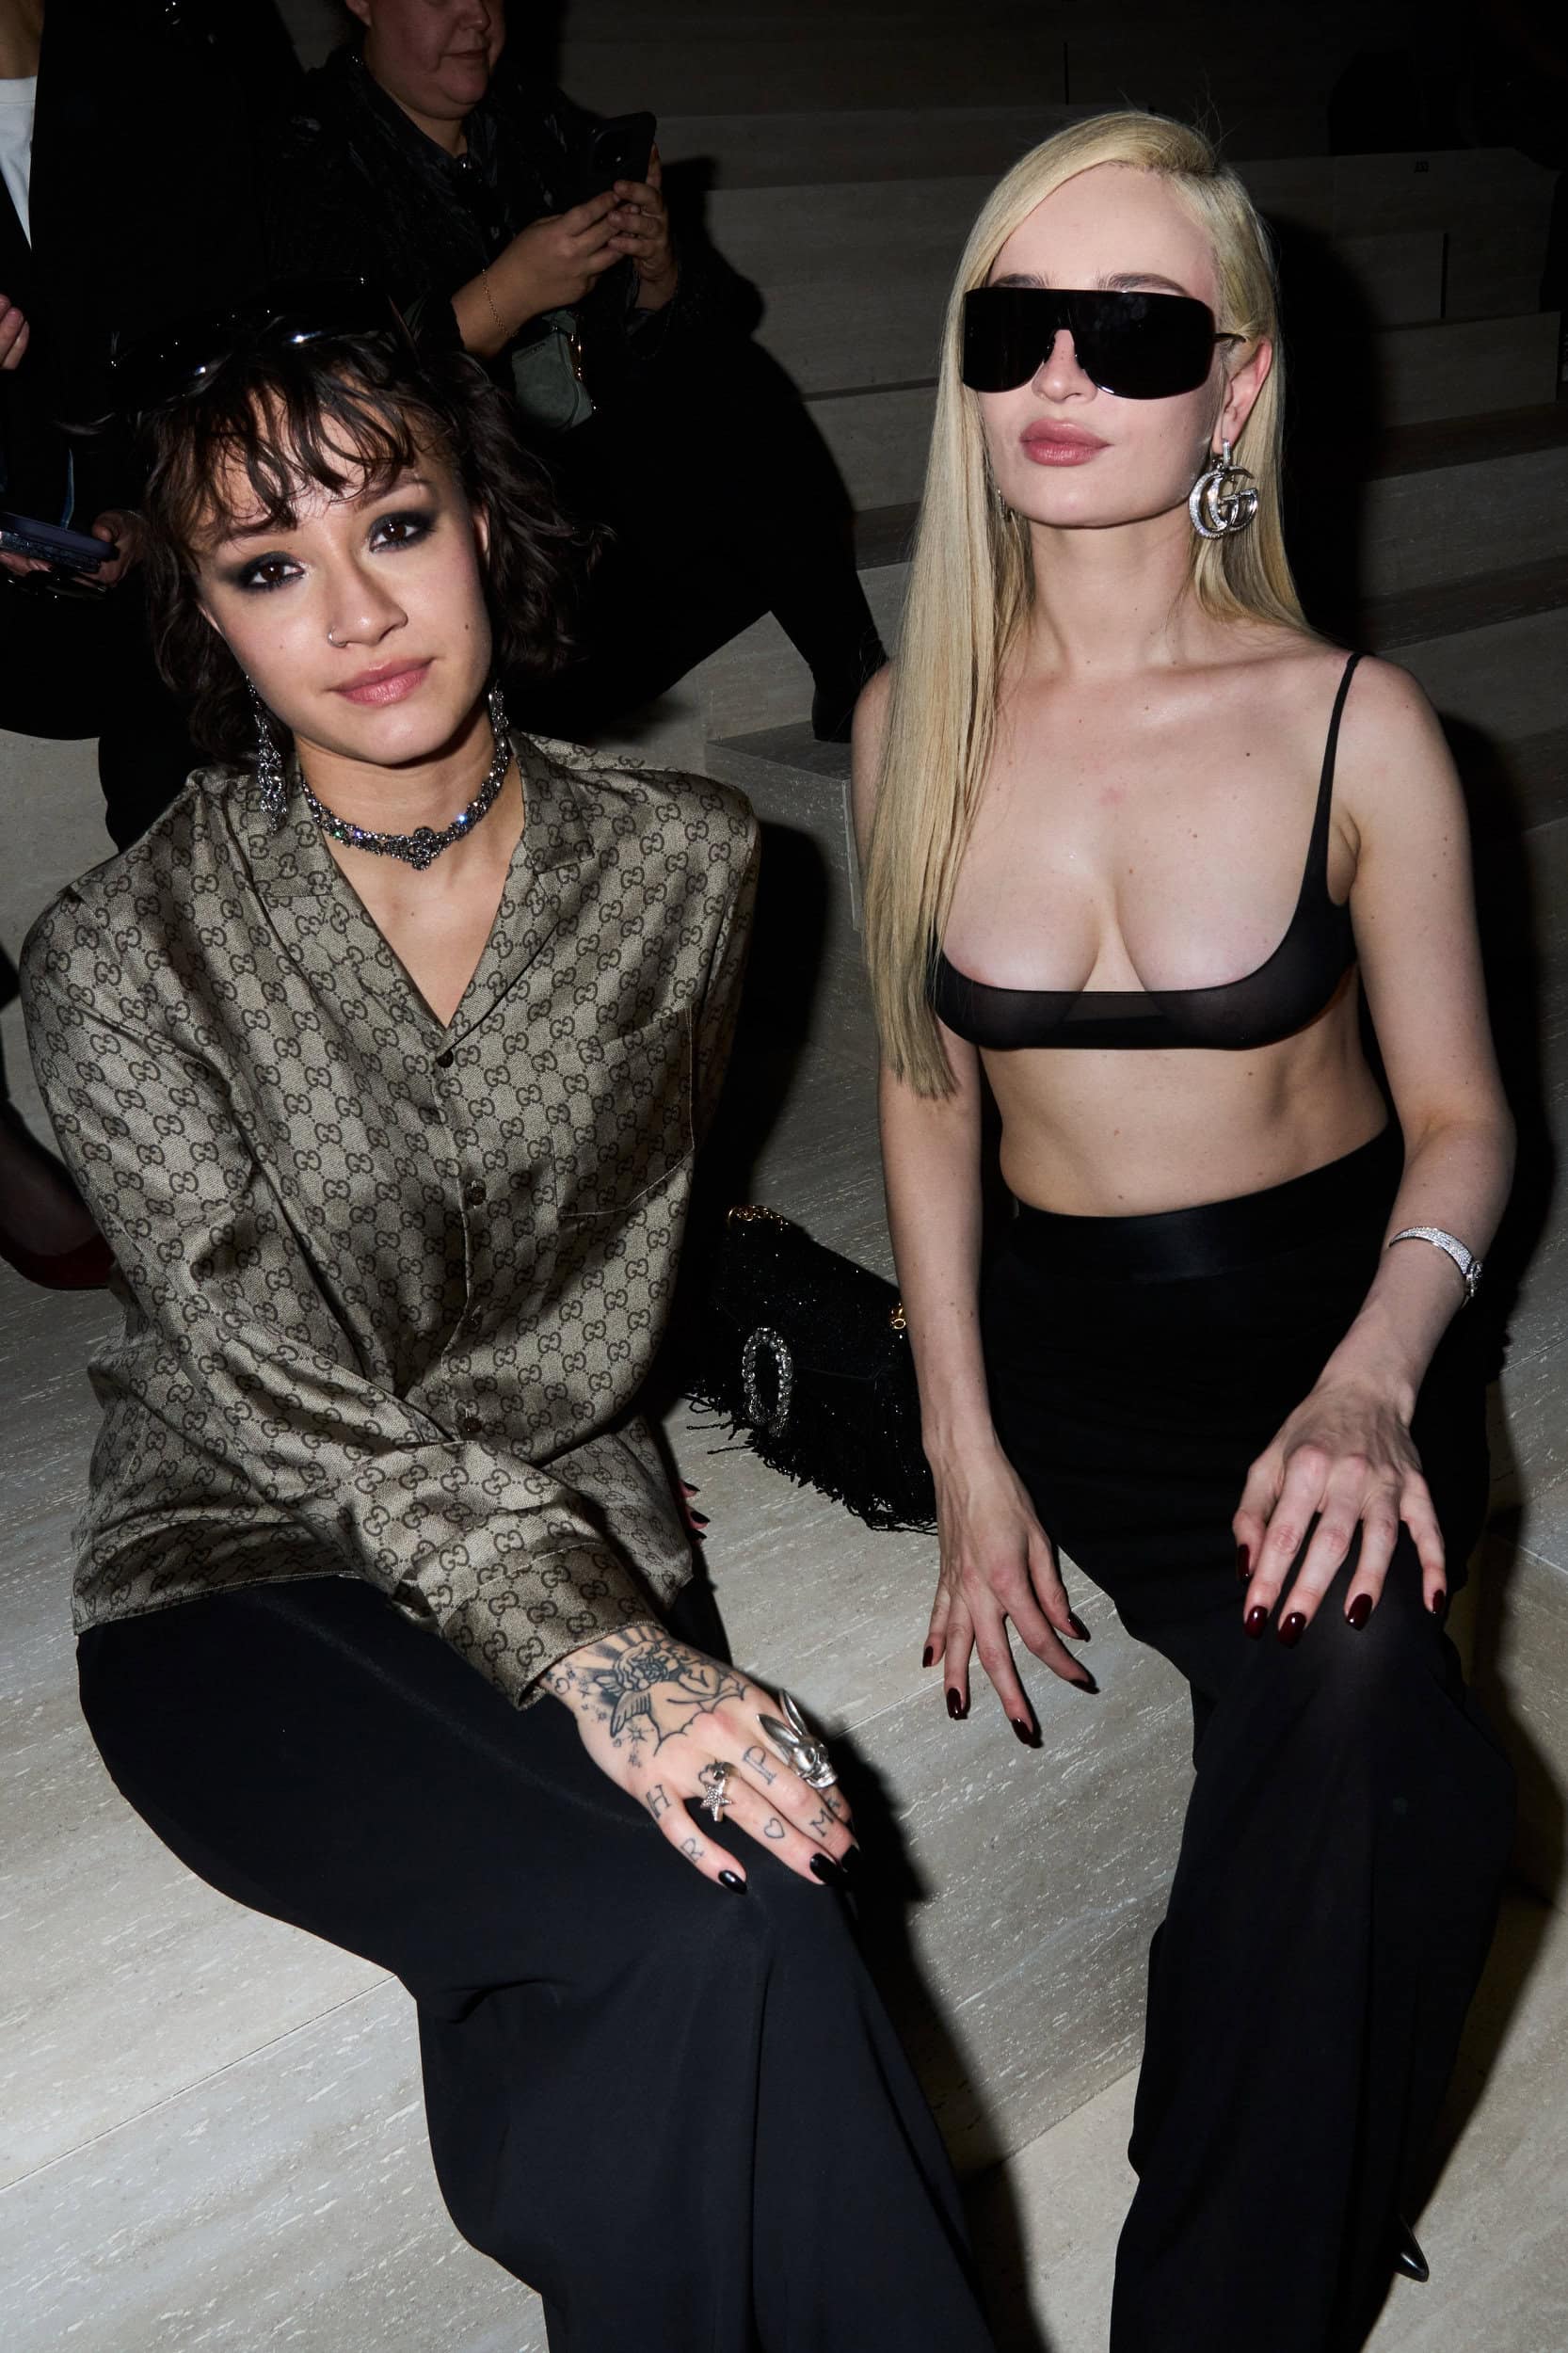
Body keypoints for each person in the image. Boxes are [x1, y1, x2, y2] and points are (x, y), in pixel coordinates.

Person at [19, 289, 997, 2353]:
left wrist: (608, 1465)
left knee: (738, 1921)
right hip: (245, 1556)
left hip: (566, 1515)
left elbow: (628, 1233)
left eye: (395, 524)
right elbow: (253, 1368)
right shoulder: (120, 954)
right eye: (267, 566)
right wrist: (588, 1639)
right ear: (205, 617)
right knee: (705, 1926)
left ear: (485, 520)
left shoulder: (694, 864)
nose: (356, 610)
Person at [853, 113, 1517, 2353]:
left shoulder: (1356, 724)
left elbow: (1463, 1123)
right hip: (1073, 1356)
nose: (1060, 373)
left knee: (1361, 1696)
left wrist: (1376, 1378)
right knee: (1379, 1757)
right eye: (1014, 323)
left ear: (1234, 386)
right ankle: (1304, 2154)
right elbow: (925, 1092)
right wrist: (962, 1448)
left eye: (1133, 333)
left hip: (1340, 1331)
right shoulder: (909, 721)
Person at [261, 0, 885, 741]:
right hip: (474, 567)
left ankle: (859, 685)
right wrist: (503, 298)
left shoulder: (529, 116)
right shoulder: (305, 153)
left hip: (600, 525)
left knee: (733, 382)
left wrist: (656, 270)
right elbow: (329, 408)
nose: (476, 16)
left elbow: (708, 321)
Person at [0, 0, 300, 1285]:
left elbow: (214, 342)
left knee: (202, 667)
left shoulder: (159, 64)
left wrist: (146, 511)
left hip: (123, 531)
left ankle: (246, 1090)